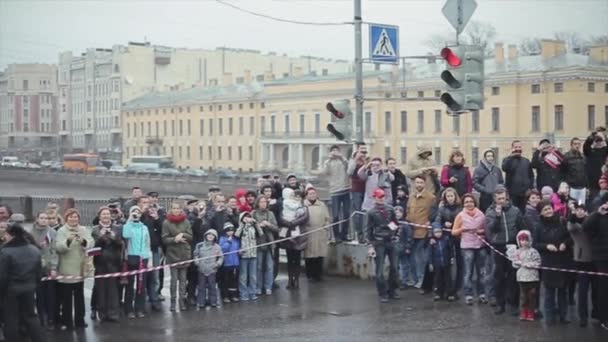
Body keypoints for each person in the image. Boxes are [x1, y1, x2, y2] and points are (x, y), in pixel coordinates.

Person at [0, 223, 46, 342]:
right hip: (29, 288)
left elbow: (2, 276)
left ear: (11, 235)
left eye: (6, 234)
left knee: (11, 319)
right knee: (31, 316)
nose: (4, 236)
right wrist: (34, 284)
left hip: (11, 290)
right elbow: (39, 271)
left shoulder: (5, 252)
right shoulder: (34, 249)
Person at [485, 187, 525, 315]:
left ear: (507, 196)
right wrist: (497, 216)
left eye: (503, 198)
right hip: (498, 246)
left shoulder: (515, 210)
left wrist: (520, 244)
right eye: (499, 199)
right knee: (499, 276)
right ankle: (500, 304)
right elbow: (491, 229)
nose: (501, 201)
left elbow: (521, 227)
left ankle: (513, 304)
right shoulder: (490, 211)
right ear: (494, 199)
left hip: (512, 246)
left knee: (513, 276)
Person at [55, 208, 94, 330]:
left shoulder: (83, 229)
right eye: (71, 217)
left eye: (76, 217)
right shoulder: (62, 230)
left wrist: (83, 241)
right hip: (66, 269)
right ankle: (67, 321)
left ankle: (80, 320)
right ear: (66, 218)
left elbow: (91, 242)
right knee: (66, 298)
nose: (74, 219)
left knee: (79, 297)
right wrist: (69, 240)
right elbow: (58, 248)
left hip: (80, 268)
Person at [534, 200, 571, 324]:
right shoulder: (538, 226)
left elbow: (569, 237)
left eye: (549, 208)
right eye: (545, 210)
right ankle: (549, 316)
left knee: (562, 290)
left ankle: (563, 315)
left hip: (562, 259)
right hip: (548, 261)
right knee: (549, 291)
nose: (548, 211)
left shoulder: (562, 221)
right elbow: (535, 244)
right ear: (541, 213)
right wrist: (546, 246)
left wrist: (564, 244)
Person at [452, 194, 489, 305]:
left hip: (480, 246)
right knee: (468, 272)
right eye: (466, 202)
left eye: (471, 201)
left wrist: (481, 232)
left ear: (475, 202)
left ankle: (482, 294)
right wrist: (462, 229)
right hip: (467, 247)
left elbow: (486, 230)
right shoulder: (460, 216)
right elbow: (453, 231)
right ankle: (468, 295)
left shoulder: (481, 215)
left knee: (481, 272)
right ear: (463, 204)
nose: (469, 204)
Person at [366, 189, 400, 303]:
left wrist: (394, 232)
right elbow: (368, 230)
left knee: (395, 267)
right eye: (379, 197)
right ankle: (382, 292)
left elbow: (395, 223)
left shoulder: (390, 209)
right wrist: (370, 245)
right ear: (375, 198)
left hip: (390, 240)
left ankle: (392, 290)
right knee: (379, 270)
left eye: (383, 197)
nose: (381, 199)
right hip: (379, 242)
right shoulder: (371, 212)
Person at [567, 204, 597, 327]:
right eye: (577, 210)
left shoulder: (591, 222)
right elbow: (571, 227)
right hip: (581, 261)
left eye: (582, 210)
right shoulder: (574, 225)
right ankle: (583, 316)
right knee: (582, 291)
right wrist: (572, 214)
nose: (579, 212)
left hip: (595, 260)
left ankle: (597, 313)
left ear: (586, 212)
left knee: (596, 290)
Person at [91, 207, 123, 323]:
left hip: (114, 262)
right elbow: (94, 247)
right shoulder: (95, 229)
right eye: (103, 214)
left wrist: (114, 237)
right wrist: (101, 236)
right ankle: (102, 314)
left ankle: (113, 313)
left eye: (107, 214)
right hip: (100, 262)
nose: (105, 216)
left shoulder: (117, 228)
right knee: (101, 289)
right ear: (99, 216)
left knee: (113, 289)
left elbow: (120, 244)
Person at [582, 193, 608, 331]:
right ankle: (603, 316)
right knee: (603, 287)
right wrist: (598, 213)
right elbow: (585, 227)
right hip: (601, 257)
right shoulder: (598, 216)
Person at [406, 175, 437, 291]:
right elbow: (408, 211)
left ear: (424, 184)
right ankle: (414, 279)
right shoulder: (411, 196)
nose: (419, 185)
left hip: (423, 232)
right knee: (412, 258)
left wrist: (429, 230)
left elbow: (433, 215)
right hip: (410, 232)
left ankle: (422, 280)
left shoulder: (430, 198)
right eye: (417, 182)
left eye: (421, 183)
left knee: (422, 259)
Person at [29, 211, 58, 329]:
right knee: (39, 296)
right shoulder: (30, 233)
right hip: (36, 268)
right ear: (37, 219)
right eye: (42, 218)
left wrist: (54, 267)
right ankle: (41, 319)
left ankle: (51, 319)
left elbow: (54, 251)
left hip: (49, 268)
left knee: (50, 296)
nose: (44, 220)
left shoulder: (52, 232)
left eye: (46, 218)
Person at [162, 201, 193, 312]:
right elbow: (164, 239)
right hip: (173, 254)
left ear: (181, 209)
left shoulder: (186, 222)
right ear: (171, 209)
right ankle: (173, 302)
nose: (176, 210)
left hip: (184, 253)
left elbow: (190, 236)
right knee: (174, 281)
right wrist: (175, 239)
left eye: (178, 208)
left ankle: (182, 301)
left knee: (183, 280)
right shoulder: (166, 223)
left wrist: (183, 235)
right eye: (174, 208)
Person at [122, 206, 151, 319]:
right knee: (130, 284)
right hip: (131, 257)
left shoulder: (144, 228)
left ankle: (140, 308)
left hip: (142, 258)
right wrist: (130, 220)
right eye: (133, 211)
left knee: (141, 284)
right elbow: (126, 235)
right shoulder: (127, 226)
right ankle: (128, 309)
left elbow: (147, 243)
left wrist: (149, 259)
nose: (136, 213)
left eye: (138, 212)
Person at [433, 188, 463, 294]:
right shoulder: (441, 209)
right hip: (446, 238)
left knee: (460, 263)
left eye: (452, 196)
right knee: (447, 264)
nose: (450, 198)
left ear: (455, 196)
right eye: (448, 196)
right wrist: (442, 225)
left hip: (459, 237)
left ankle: (458, 287)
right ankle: (447, 287)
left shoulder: (460, 208)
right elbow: (437, 221)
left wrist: (455, 224)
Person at [279, 188, 309, 290]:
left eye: (297, 196)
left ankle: (296, 280)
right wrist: (288, 223)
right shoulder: (284, 206)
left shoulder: (303, 207)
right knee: (289, 259)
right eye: (293, 195)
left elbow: (305, 218)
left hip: (298, 236)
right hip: (288, 235)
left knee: (297, 259)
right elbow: (281, 218)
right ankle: (290, 279)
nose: (295, 198)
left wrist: (293, 222)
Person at [320, 144, 351, 244]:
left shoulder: (343, 160)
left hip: (346, 189)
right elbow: (324, 172)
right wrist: (328, 160)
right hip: (334, 191)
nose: (335, 153)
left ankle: (344, 234)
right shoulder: (328, 162)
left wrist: (341, 157)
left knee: (347, 214)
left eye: (337, 151)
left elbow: (349, 168)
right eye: (333, 151)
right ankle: (336, 236)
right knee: (336, 215)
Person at [509, 230, 541, 322]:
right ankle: (523, 311)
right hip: (522, 278)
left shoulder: (533, 251)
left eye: (526, 240)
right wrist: (517, 263)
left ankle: (531, 312)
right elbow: (514, 264)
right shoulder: (517, 252)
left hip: (532, 277)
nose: (524, 242)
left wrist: (528, 264)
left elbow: (538, 263)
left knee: (531, 295)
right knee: (523, 296)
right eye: (522, 240)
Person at [138, 196, 163, 311]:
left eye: (148, 202)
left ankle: (154, 299)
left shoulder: (152, 215)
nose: (147, 205)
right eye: (144, 203)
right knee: (142, 277)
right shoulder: (136, 215)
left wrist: (157, 218)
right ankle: (141, 301)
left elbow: (161, 228)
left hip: (153, 249)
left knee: (154, 276)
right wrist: (142, 213)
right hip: (141, 250)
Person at [252, 196, 278, 295]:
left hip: (269, 243)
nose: (263, 204)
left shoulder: (270, 214)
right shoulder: (253, 213)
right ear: (257, 203)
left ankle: (268, 286)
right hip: (258, 243)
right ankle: (258, 287)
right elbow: (250, 228)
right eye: (261, 202)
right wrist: (258, 225)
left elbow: (276, 229)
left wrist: (269, 225)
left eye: (265, 202)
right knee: (258, 266)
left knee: (269, 266)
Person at [303, 187, 330, 282]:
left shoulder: (322, 205)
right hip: (309, 232)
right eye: (310, 194)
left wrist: (326, 226)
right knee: (310, 256)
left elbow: (327, 218)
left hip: (320, 232)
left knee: (319, 255)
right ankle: (310, 275)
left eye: (314, 193)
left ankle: (318, 274)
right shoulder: (304, 205)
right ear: (306, 195)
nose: (312, 195)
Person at [236, 212, 263, 300]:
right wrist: (243, 224)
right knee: (243, 276)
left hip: (253, 254)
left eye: (249, 217)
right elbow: (237, 235)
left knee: (253, 275)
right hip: (244, 255)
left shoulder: (253, 227)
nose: (248, 218)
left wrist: (256, 224)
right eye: (245, 217)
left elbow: (260, 234)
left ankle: (252, 292)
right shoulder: (240, 227)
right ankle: (243, 294)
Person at [193, 229, 223, 309]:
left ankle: (213, 301)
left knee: (212, 286)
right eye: (209, 234)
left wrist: (217, 264)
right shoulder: (199, 245)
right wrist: (197, 262)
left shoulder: (217, 247)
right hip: (201, 269)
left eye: (212, 235)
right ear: (205, 235)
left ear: (215, 237)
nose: (210, 236)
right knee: (201, 287)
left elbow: (221, 257)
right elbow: (196, 255)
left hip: (212, 269)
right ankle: (201, 302)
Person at [502, 140, 534, 211]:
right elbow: (504, 168)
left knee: (524, 212)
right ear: (512, 148)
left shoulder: (526, 161)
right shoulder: (507, 160)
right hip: (513, 193)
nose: (518, 149)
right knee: (514, 211)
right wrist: (510, 156)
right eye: (516, 147)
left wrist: (530, 188)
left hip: (525, 193)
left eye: (519, 147)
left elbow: (531, 176)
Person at [347, 143, 369, 242]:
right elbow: (349, 172)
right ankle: (359, 234)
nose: (363, 153)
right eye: (362, 151)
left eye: (365, 151)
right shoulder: (353, 160)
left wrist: (366, 162)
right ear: (357, 150)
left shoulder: (368, 160)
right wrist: (356, 159)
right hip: (356, 190)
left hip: (367, 189)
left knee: (366, 212)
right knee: (358, 212)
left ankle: (366, 234)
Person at [473, 149, 505, 213]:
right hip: (485, 197)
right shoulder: (478, 169)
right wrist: (484, 189)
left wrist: (499, 190)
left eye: (491, 156)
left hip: (496, 196)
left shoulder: (497, 169)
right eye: (488, 156)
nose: (490, 158)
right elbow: (475, 183)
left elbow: (501, 181)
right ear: (485, 157)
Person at [429, 227, 454, 301]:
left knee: (448, 279)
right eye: (436, 232)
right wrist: (430, 263)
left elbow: (450, 249)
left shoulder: (446, 239)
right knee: (438, 279)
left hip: (446, 262)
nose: (438, 234)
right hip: (437, 263)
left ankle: (449, 293)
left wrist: (452, 258)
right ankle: (438, 293)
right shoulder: (432, 242)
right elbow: (430, 253)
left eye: (439, 232)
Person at [561, 137, 588, 205]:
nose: (577, 146)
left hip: (582, 187)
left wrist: (587, 186)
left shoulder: (583, 157)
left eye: (579, 144)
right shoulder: (566, 157)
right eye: (575, 144)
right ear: (571, 145)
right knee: (572, 207)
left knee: (581, 206)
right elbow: (562, 172)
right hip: (572, 187)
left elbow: (585, 172)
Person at [219, 222, 240, 303]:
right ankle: (225, 296)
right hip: (226, 264)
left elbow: (237, 249)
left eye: (232, 230)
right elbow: (222, 250)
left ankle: (234, 295)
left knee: (234, 281)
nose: (230, 232)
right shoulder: (222, 239)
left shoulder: (236, 239)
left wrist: (240, 252)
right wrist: (228, 242)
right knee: (225, 281)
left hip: (235, 263)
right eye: (228, 230)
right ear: (225, 231)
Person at [583, 129, 608, 199]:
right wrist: (592, 136)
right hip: (592, 182)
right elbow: (586, 146)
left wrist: (604, 137)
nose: (599, 143)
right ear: (594, 142)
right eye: (597, 141)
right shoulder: (590, 151)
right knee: (594, 202)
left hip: (604, 180)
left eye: (600, 141)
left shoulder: (605, 150)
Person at [395, 206, 413, 288]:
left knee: (404, 265)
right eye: (396, 213)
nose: (397, 214)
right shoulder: (391, 223)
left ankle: (404, 281)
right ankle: (395, 281)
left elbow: (409, 236)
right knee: (395, 265)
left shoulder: (406, 224)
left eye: (399, 212)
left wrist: (408, 247)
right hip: (394, 248)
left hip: (403, 247)